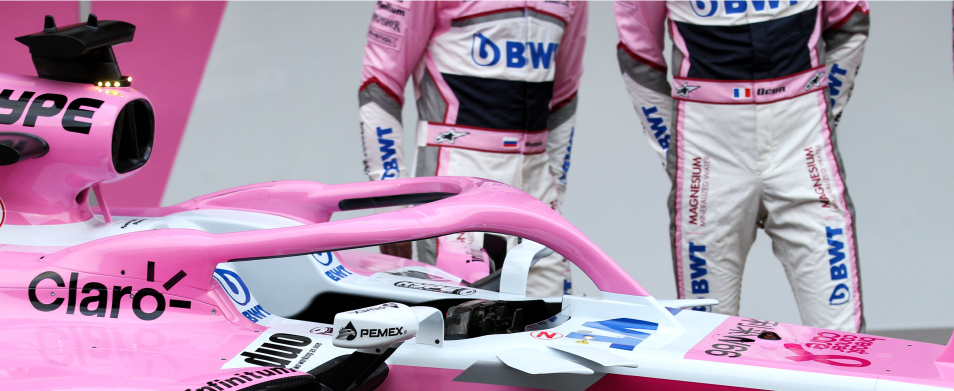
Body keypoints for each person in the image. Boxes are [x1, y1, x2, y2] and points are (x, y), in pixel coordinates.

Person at [615, 0, 870, 329]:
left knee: (842, 335)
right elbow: (638, 54)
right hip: (708, 150)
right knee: (706, 335)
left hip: (802, 141)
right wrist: (677, 149)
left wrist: (821, 115)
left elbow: (850, 23)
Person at [359, 0, 587, 296]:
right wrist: (391, 201)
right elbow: (379, 85)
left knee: (553, 317)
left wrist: (556, 186)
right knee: (460, 319)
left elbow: (565, 94)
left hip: (537, 189)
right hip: (459, 181)